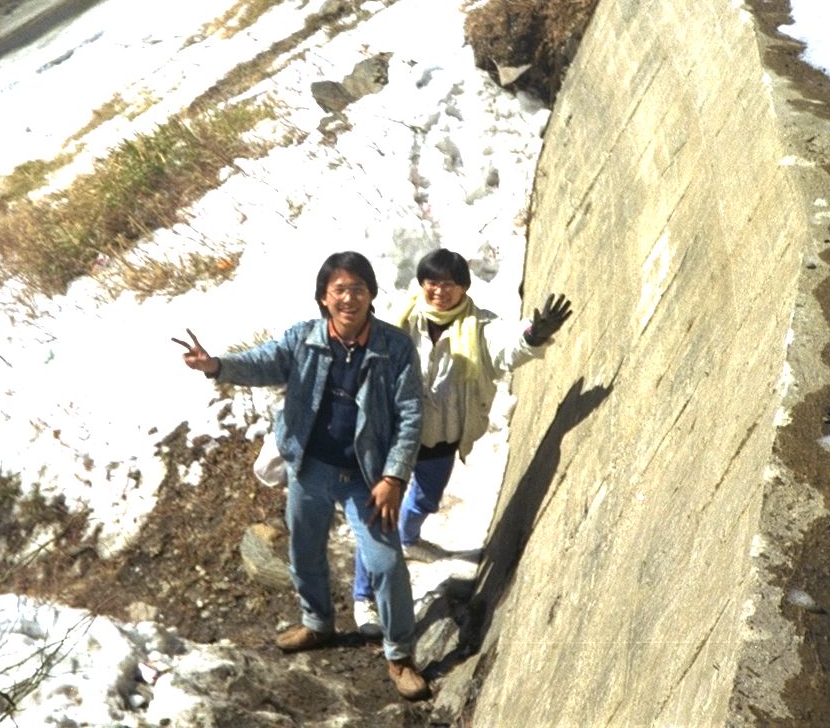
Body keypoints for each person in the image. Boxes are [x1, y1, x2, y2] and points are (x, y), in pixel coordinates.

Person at [173, 251, 431, 702]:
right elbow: (262, 362)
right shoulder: (304, 339)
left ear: (371, 295)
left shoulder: (394, 348)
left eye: (358, 289)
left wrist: (393, 476)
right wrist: (216, 366)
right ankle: (317, 624)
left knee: (386, 562)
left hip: (367, 476)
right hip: (311, 466)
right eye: (339, 290)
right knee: (304, 549)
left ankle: (399, 654)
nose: (349, 298)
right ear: (323, 298)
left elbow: (411, 415)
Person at [349, 249, 573, 638]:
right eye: (431, 282)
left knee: (425, 499)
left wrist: (535, 334)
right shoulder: (399, 323)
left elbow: (507, 348)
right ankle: (363, 597)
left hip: (443, 438)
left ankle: (408, 537)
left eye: (448, 284)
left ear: (464, 288)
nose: (439, 291)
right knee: (379, 513)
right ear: (421, 284)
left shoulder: (481, 327)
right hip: (398, 436)